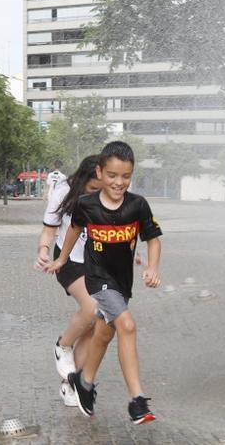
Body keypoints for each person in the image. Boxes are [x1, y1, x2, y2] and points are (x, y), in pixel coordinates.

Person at [48, 141, 163, 424]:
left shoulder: (138, 205)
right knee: (127, 326)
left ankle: (83, 383)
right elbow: (74, 230)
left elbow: (153, 239)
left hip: (122, 281)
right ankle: (137, 400)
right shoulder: (86, 205)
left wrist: (152, 266)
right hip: (97, 279)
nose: (118, 182)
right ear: (100, 172)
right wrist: (61, 259)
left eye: (125, 176)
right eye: (112, 175)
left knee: (104, 333)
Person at [36, 155, 103, 408]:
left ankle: (74, 382)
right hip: (68, 261)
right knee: (93, 308)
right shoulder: (63, 191)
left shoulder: (111, 193)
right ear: (83, 180)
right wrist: (43, 250)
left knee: (99, 325)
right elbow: (48, 230)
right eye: (93, 189)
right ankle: (63, 345)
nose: (98, 194)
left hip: (98, 264)